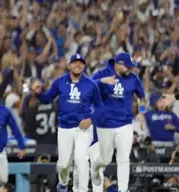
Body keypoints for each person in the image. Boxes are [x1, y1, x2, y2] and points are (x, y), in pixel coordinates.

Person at [30, 53, 102, 192]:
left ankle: (82, 190)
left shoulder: (91, 85)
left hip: (83, 130)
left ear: (84, 66)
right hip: (64, 129)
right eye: (75, 62)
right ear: (69, 66)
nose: (78, 65)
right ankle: (63, 183)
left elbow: (100, 107)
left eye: (81, 63)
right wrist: (38, 93)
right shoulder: (59, 82)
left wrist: (91, 120)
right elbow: (47, 99)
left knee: (81, 160)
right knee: (63, 165)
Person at [91, 52, 145, 192]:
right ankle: (96, 169)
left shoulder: (133, 79)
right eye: (127, 67)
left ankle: (123, 189)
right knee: (105, 159)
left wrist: (141, 112)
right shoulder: (102, 73)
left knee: (123, 158)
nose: (130, 69)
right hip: (105, 124)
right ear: (117, 64)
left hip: (125, 123)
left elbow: (142, 98)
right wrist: (102, 81)